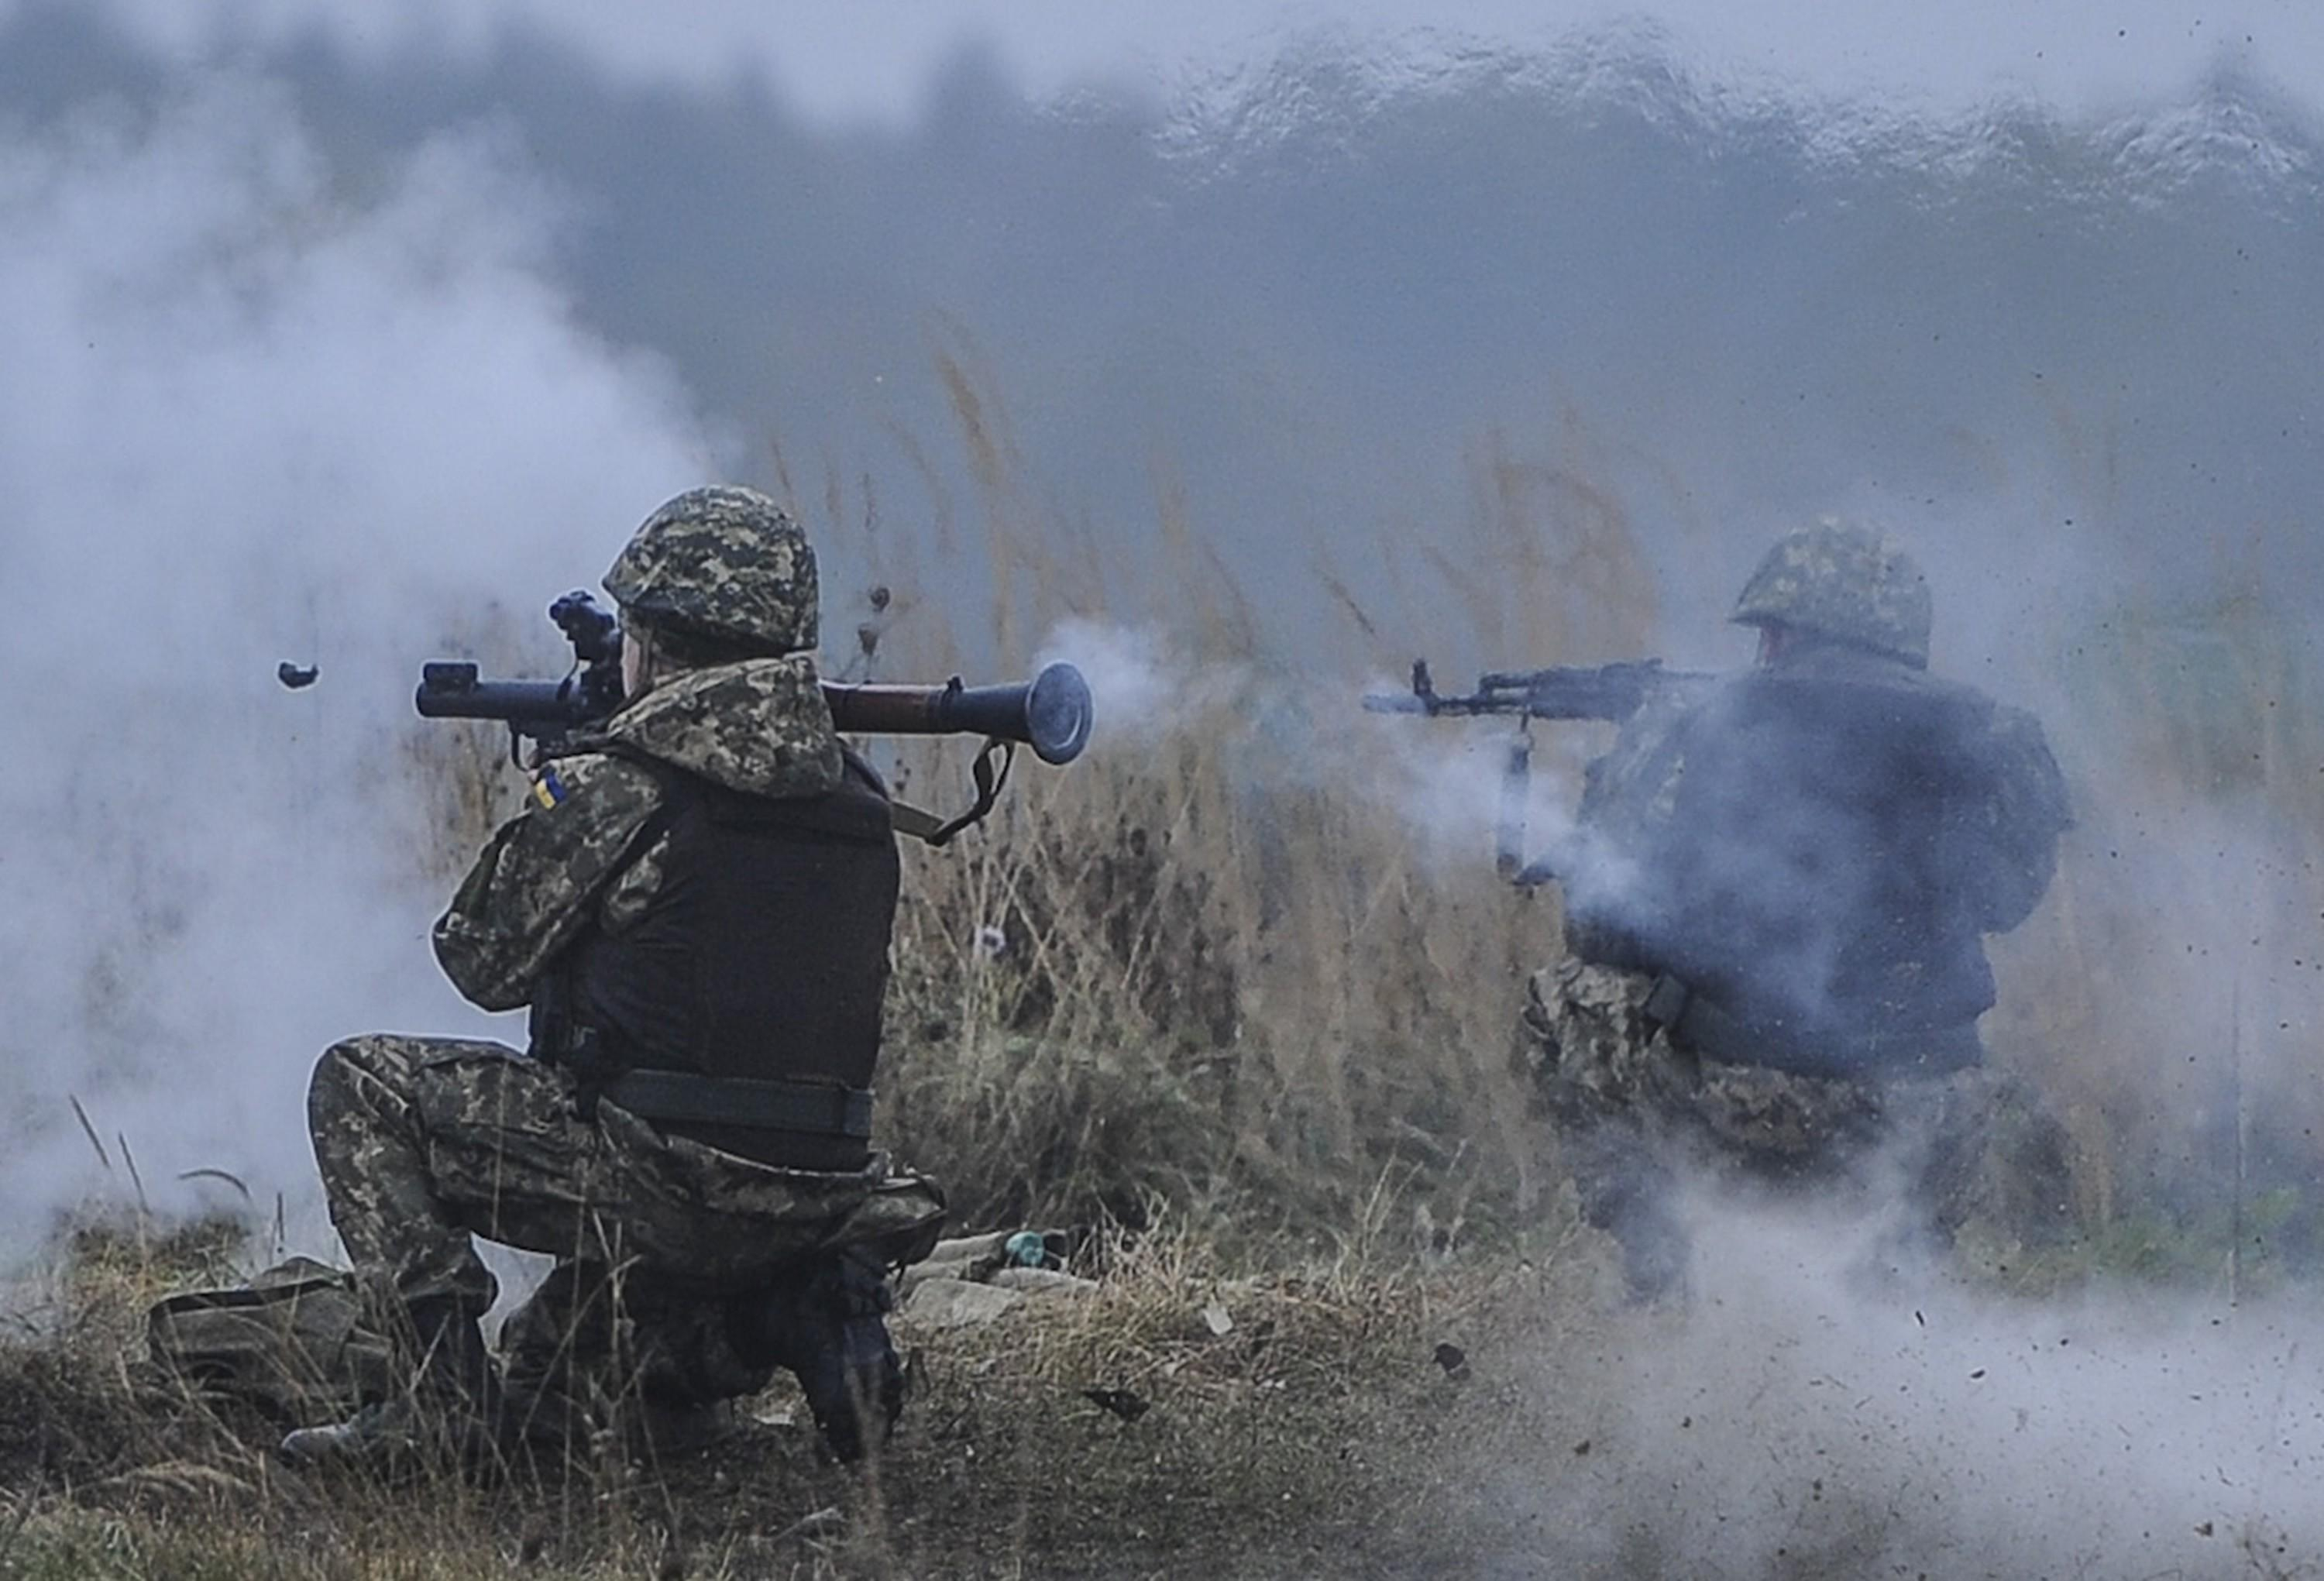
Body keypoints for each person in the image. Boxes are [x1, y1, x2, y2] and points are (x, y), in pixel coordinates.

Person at [280, 485, 944, 1470]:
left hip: (659, 1178)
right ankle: (795, 1319)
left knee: (360, 1083)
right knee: (553, 1402)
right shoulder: (856, 794)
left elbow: (479, 961)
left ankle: (433, 1415)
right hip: (816, 1193)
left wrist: (558, 795)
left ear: (655, 644)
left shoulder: (625, 786)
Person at [1518, 518, 2071, 1300]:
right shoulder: (1993, 731)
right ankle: (1904, 1261)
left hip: (1744, 1101)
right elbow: (2009, 901)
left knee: (1567, 995)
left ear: (1780, 633)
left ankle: (1661, 1266)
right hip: (1929, 1111)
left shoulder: (1698, 719)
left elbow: (1608, 922)